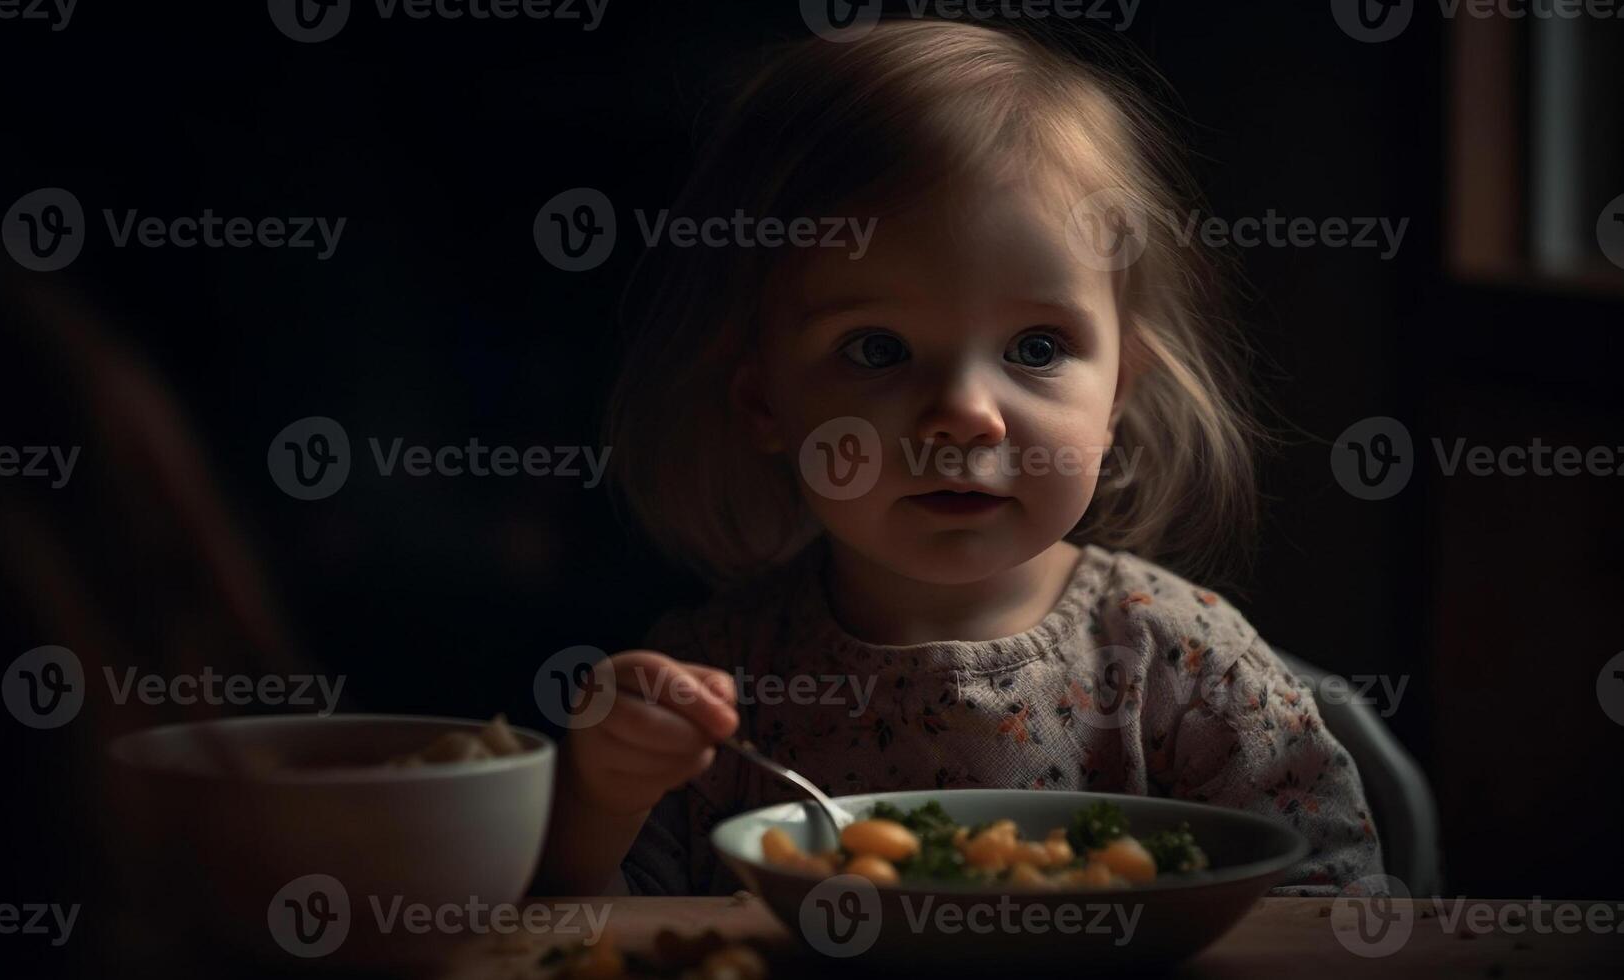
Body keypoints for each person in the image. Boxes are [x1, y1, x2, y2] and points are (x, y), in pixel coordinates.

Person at [536, 18, 1382, 899]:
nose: (966, 417)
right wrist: (599, 799)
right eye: (875, 350)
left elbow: (1332, 911)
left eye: (1037, 348)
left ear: (1117, 392)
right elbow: (581, 938)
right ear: (763, 404)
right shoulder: (719, 683)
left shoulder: (1181, 665)